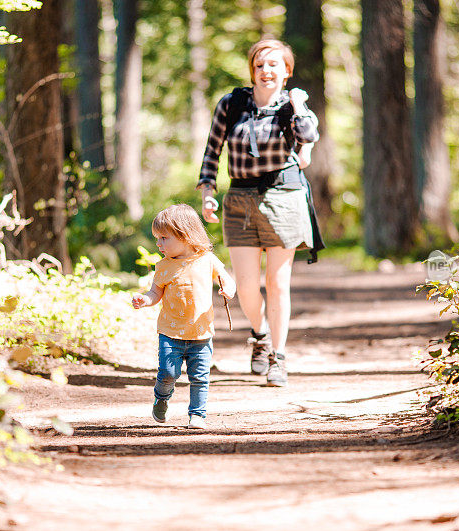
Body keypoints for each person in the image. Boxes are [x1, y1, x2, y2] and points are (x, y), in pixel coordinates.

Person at [196, 38, 320, 387]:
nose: (266, 71)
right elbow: (212, 151)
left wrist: (296, 103)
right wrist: (208, 191)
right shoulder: (232, 104)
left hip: (285, 196)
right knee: (245, 286)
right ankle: (260, 335)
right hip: (239, 199)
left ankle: (278, 358)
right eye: (260, 65)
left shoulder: (292, 106)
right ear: (252, 69)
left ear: (286, 71)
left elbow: (308, 135)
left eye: (274, 65)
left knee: (277, 284)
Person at [132, 204, 236, 429]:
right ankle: (161, 397)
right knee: (168, 373)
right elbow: (155, 293)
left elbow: (226, 278)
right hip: (170, 332)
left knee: (200, 377)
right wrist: (145, 300)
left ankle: (197, 415)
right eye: (157, 238)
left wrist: (228, 288)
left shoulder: (207, 259)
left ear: (185, 235)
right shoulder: (163, 267)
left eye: (163, 238)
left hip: (201, 332)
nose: (158, 243)